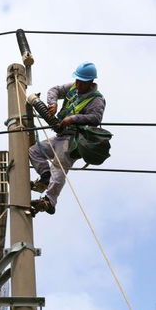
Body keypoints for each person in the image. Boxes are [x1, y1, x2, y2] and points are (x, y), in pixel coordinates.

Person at [29, 62, 106, 215]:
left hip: (74, 140)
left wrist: (72, 119)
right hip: (60, 135)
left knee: (59, 165)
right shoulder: (73, 87)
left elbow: (95, 118)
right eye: (77, 80)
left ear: (90, 82)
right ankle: (45, 176)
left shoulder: (96, 100)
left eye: (81, 82)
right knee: (34, 151)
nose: (77, 84)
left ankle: (49, 201)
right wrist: (53, 104)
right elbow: (54, 90)